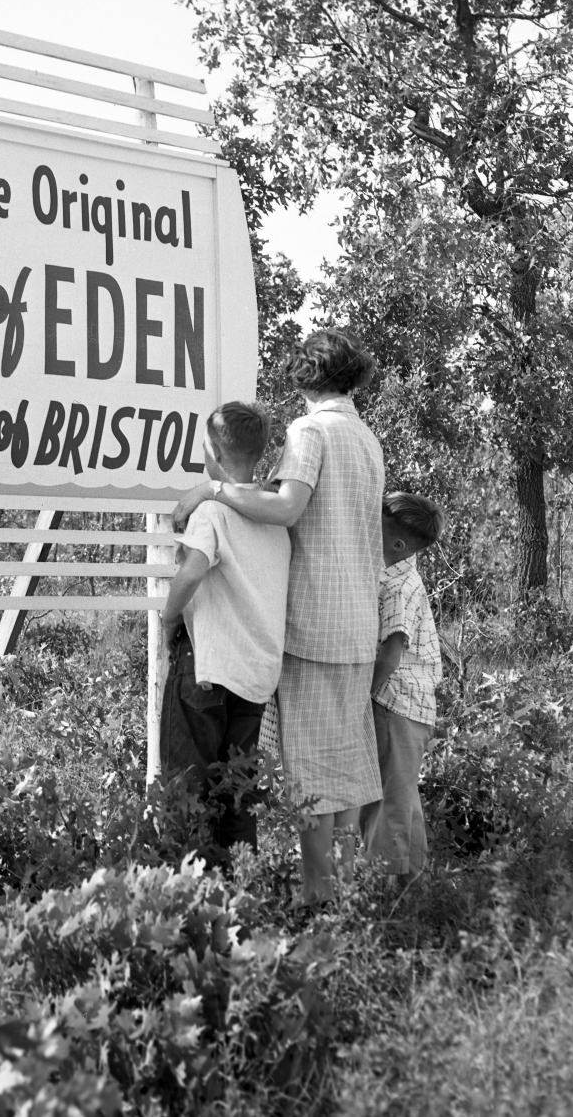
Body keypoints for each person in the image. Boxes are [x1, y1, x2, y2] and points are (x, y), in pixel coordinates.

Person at [173, 329, 385, 904]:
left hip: (314, 622)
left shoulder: (310, 430)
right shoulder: (366, 438)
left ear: (304, 375)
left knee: (312, 773)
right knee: (343, 766)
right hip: (358, 619)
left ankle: (320, 899)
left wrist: (209, 492)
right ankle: (343, 891)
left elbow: (288, 507)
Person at [159, 402, 291, 856]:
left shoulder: (211, 512)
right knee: (238, 792)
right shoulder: (276, 522)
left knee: (186, 788)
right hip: (255, 675)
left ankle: (188, 891)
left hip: (207, 665)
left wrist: (169, 620)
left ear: (211, 453)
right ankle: (238, 892)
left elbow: (193, 571)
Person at [360, 491, 446, 885]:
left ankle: (383, 891)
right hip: (409, 707)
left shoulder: (398, 586)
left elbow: (390, 657)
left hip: (396, 703)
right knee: (402, 798)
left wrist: (358, 699)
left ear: (397, 544)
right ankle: (412, 888)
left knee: (388, 803)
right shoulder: (397, 568)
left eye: (374, 528)